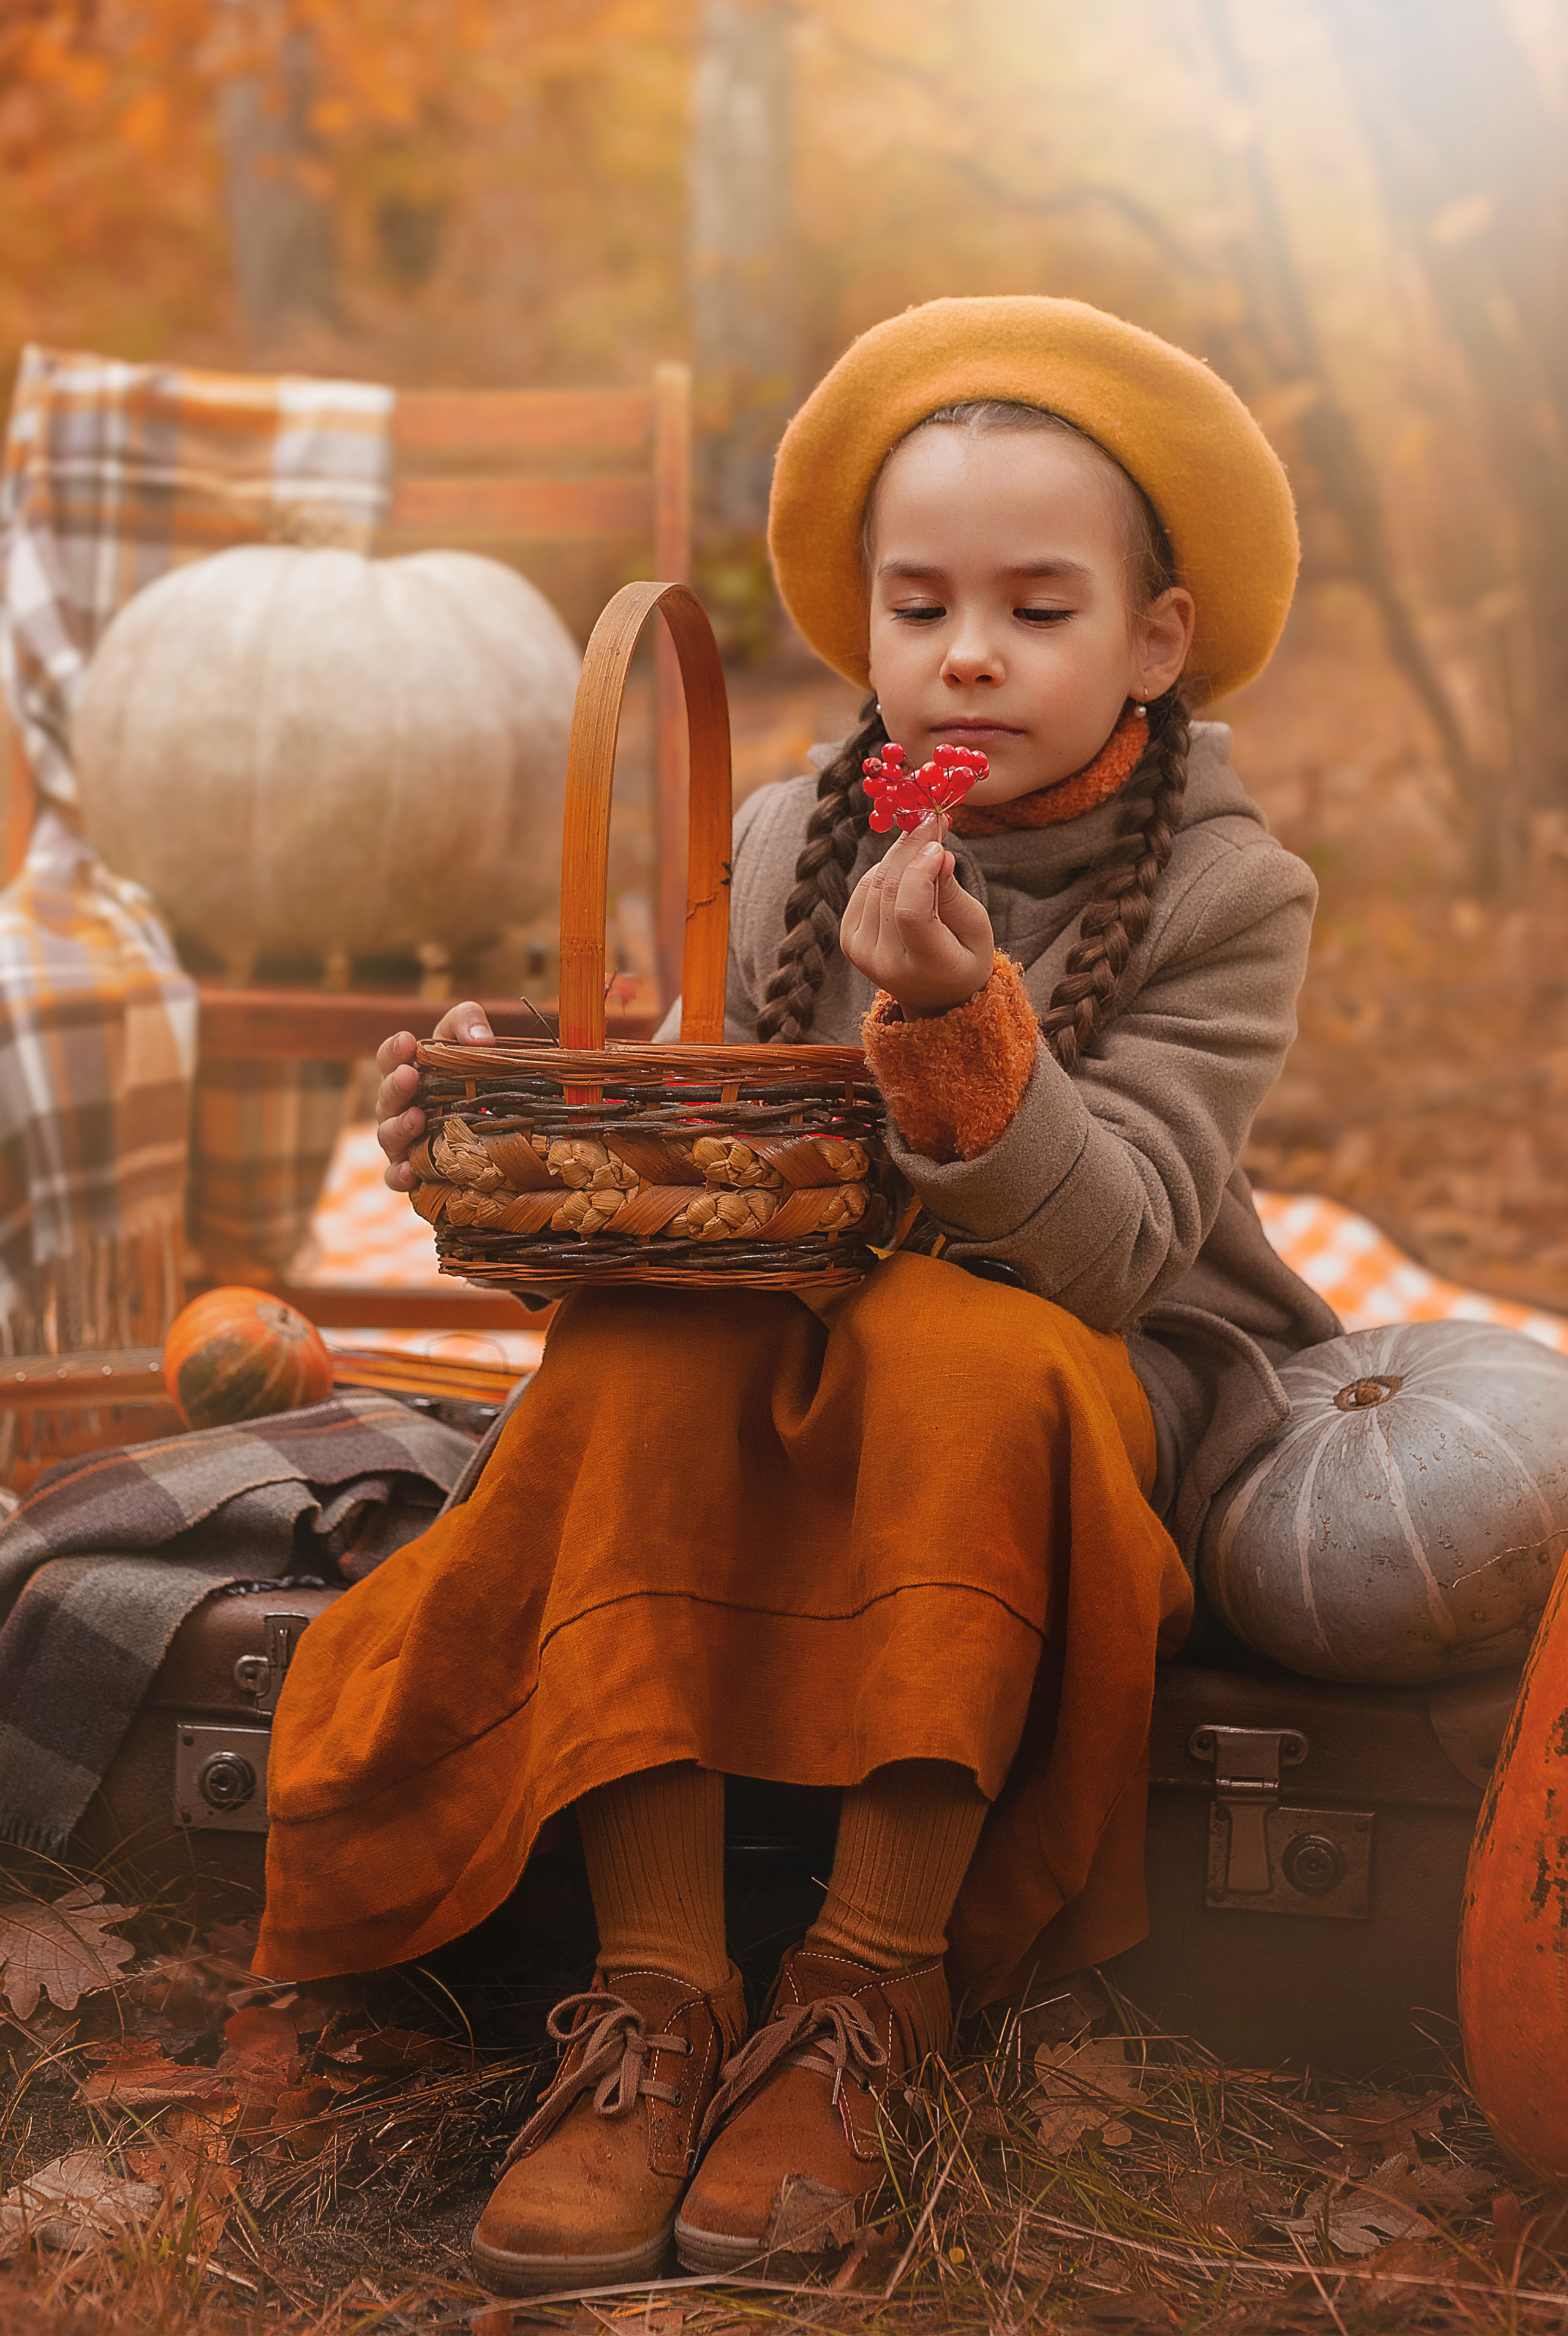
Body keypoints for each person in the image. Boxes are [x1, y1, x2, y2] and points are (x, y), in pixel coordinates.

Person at [254, 296, 1340, 2292]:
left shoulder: (1222, 893)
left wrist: (957, 1026)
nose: (972, 653)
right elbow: (692, 1161)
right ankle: (661, 1990)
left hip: (1079, 1359)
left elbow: (1107, 1253)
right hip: (786, 1329)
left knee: (954, 1344)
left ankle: (869, 1986)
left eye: (1038, 604)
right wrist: (512, 1121)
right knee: (653, 1339)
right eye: (921, 605)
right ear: (866, 624)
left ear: (1156, 638)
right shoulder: (785, 838)